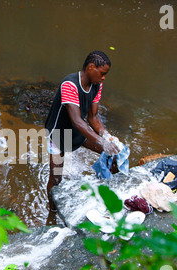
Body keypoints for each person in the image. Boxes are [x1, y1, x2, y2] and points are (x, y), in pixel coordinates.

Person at [45, 51, 122, 223]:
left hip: (79, 132)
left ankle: (111, 199)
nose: (103, 78)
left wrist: (107, 137)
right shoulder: (69, 84)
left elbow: (93, 117)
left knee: (113, 155)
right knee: (56, 177)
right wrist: (101, 141)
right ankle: (52, 213)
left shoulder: (96, 85)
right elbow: (77, 120)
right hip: (59, 134)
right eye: (102, 74)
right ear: (91, 67)